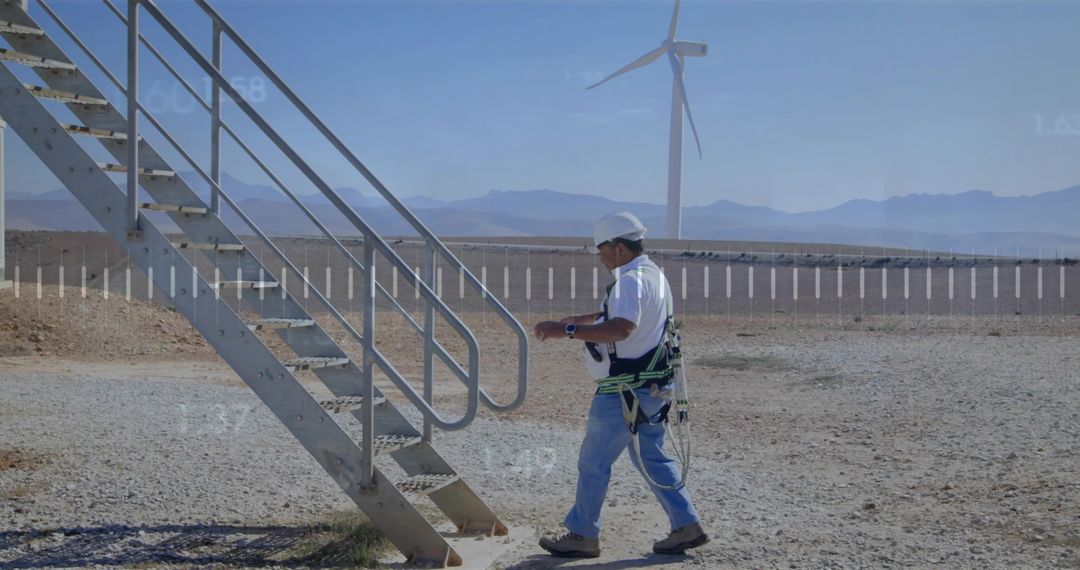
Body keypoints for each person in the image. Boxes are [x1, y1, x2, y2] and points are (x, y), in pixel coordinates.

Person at [532, 211, 709, 558]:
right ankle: (686, 523)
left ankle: (583, 534)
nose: (601, 258)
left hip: (624, 391)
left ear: (618, 247)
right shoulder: (653, 275)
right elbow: (622, 317)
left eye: (601, 250)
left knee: (594, 461)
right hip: (652, 386)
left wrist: (566, 330)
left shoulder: (629, 281)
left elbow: (621, 328)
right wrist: (579, 320)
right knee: (652, 457)